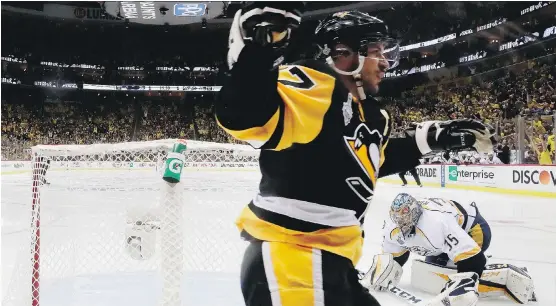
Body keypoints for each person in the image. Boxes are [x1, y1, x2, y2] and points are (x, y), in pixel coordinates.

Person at [216, 4, 496, 305]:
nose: (387, 63)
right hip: (290, 259)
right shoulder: (315, 83)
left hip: (336, 264)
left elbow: (366, 162)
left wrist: (429, 143)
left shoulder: (372, 115)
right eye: (377, 51)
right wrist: (253, 56)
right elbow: (242, 116)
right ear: (343, 53)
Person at [362, 193, 535, 305]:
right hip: (448, 229)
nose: (401, 223)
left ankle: (509, 277)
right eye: (397, 218)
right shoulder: (392, 225)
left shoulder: (437, 223)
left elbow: (475, 259)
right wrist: (385, 270)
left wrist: (463, 285)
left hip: (474, 230)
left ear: (415, 213)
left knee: (452, 278)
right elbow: (396, 254)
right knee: (431, 272)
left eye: (405, 217)